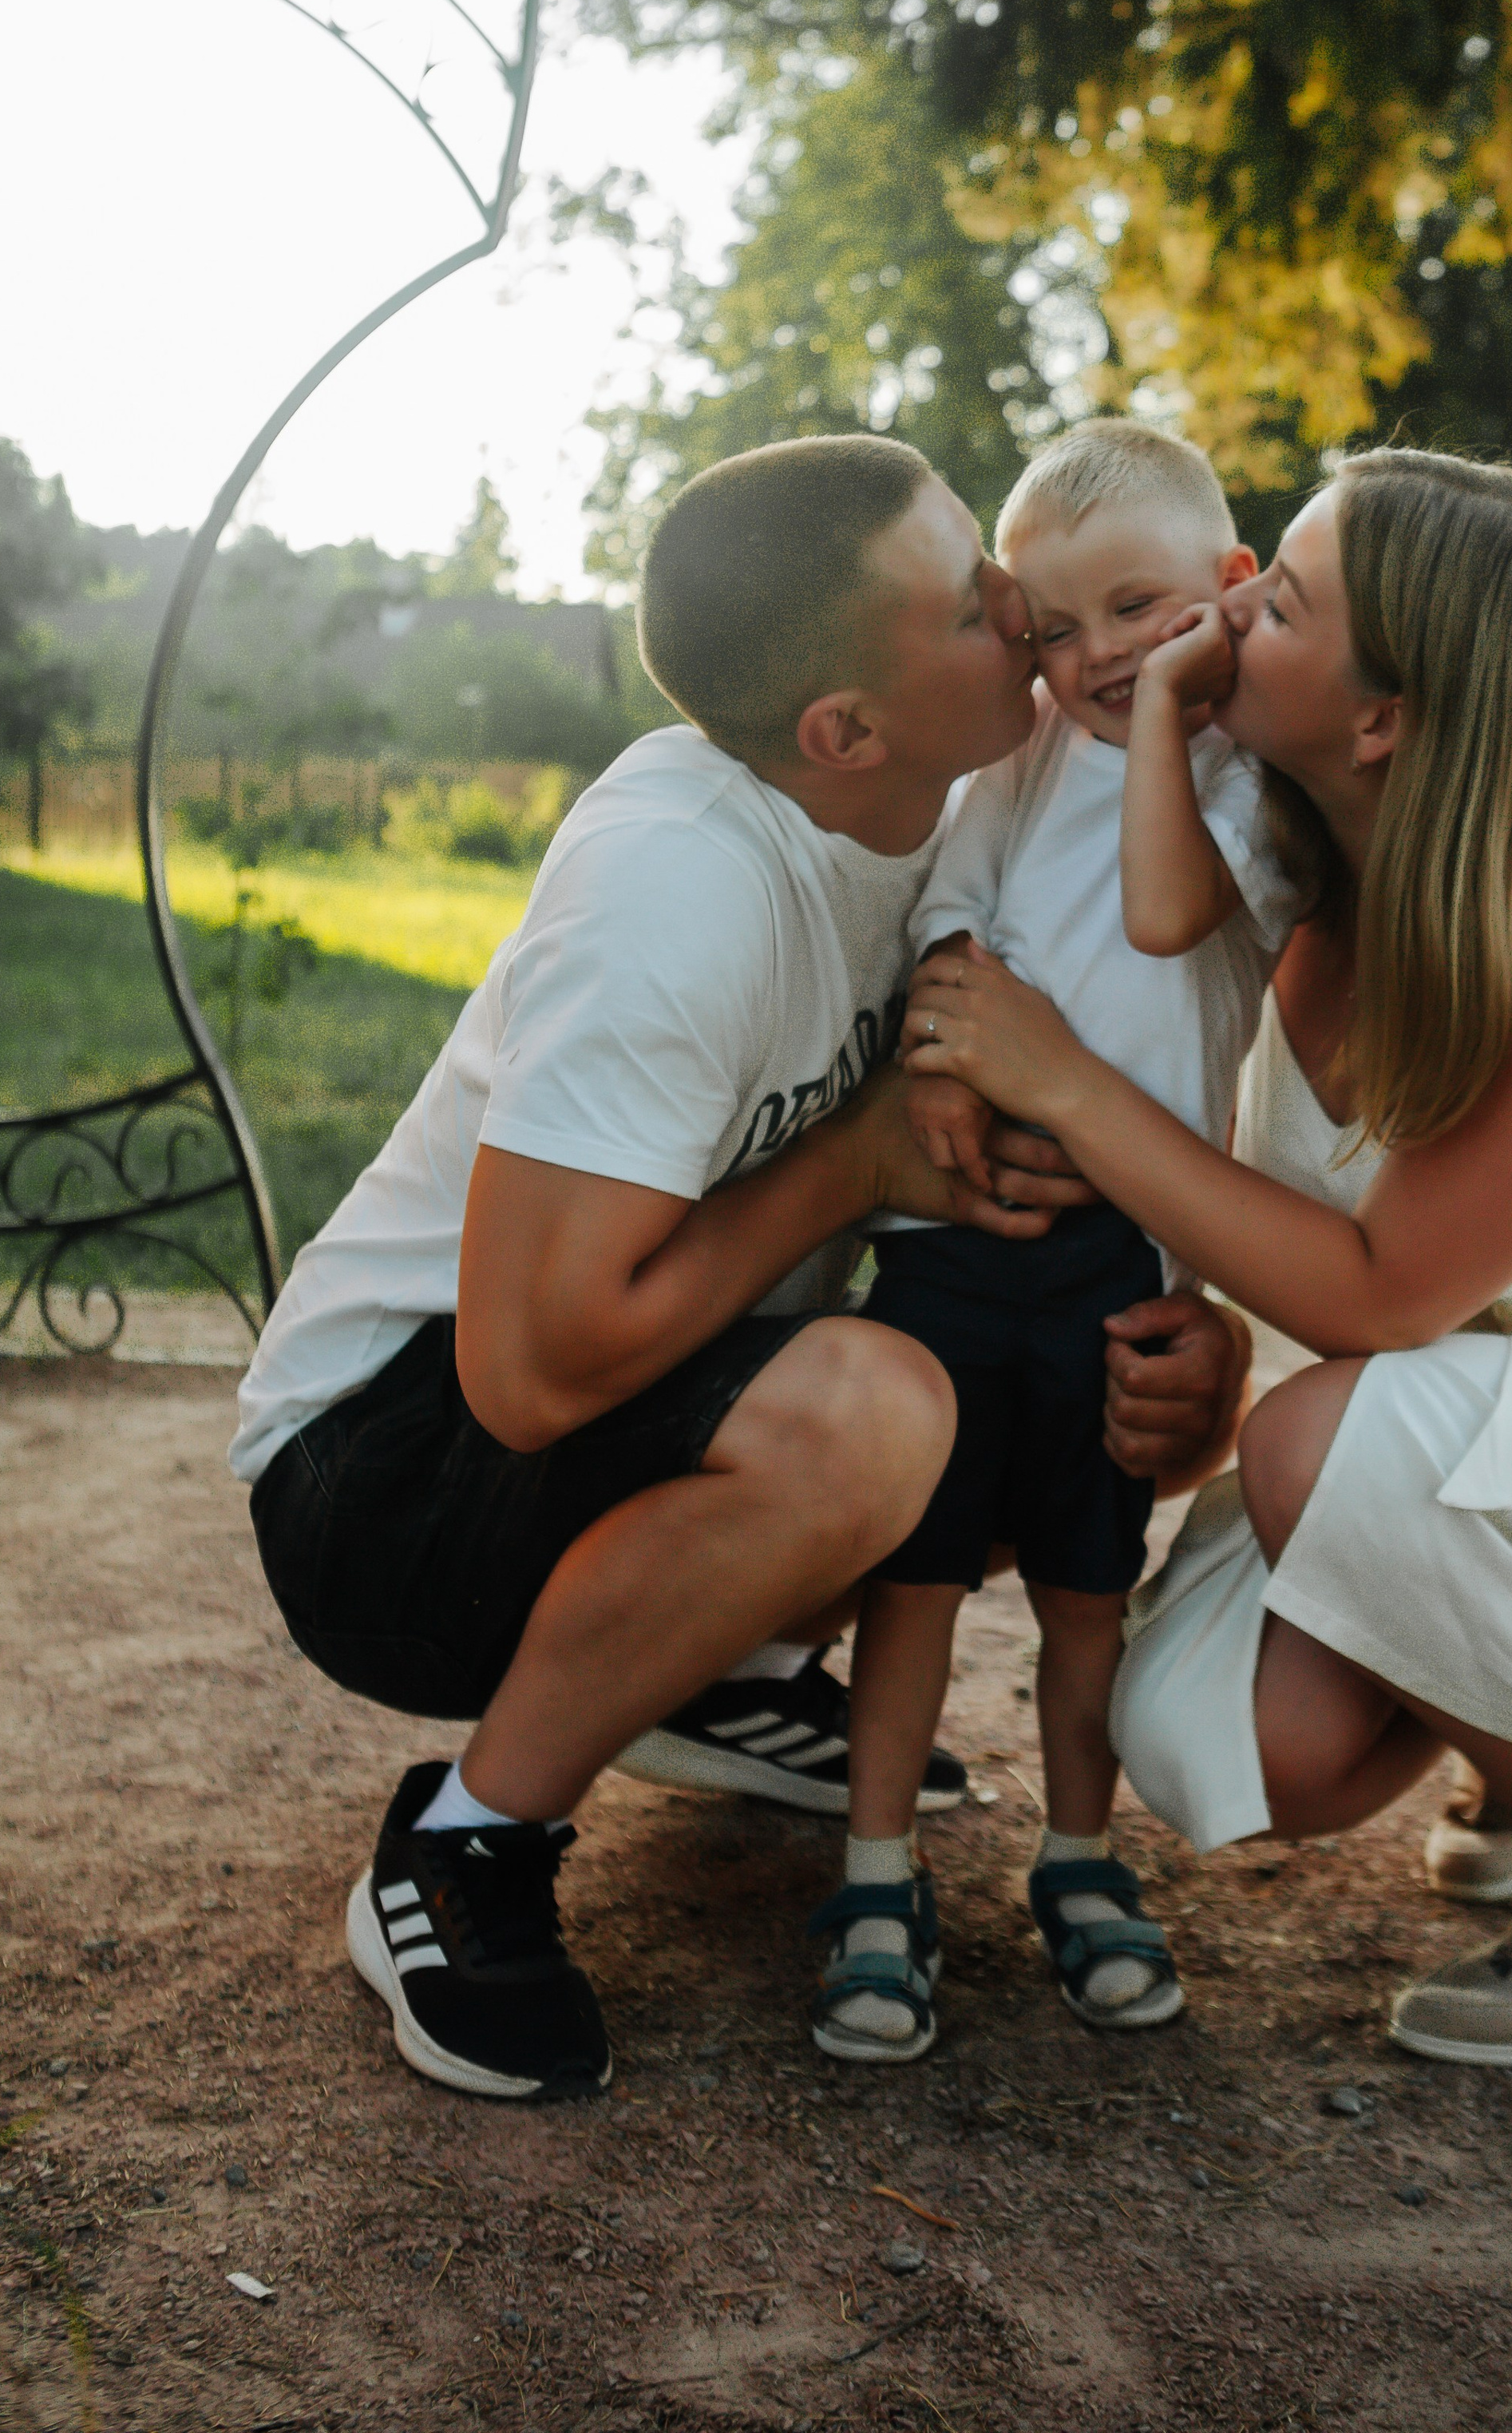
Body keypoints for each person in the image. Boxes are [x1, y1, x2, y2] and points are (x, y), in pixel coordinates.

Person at [229, 434, 1245, 2103]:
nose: (1021, 609)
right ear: (842, 729)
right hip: (379, 1477)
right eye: (974, 605)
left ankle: (716, 1675)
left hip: (569, 1424)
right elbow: (529, 1372)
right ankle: (465, 1840)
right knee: (879, 1408)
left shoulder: (956, 806)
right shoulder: (679, 883)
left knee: (1015, 1383)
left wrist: (1193, 1337)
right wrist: (850, 1158)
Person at [903, 448, 1512, 2069]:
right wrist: (1210, 1335)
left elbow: (1384, 1298)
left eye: (1278, 600)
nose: (1229, 615)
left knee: (1318, 1445)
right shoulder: (1291, 869)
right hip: (1492, 1411)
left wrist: (1062, 1086)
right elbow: (1293, 1234)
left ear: (1377, 716)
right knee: (1221, 1736)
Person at [814, 422, 1300, 2062]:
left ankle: (1080, 1862)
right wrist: (950, 1062)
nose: (1093, 657)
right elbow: (947, 923)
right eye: (1055, 623)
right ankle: (874, 1876)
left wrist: (1178, 700)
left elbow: (1172, 918)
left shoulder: (1247, 779)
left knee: (1089, 1589)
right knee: (916, 1578)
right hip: (958, 1238)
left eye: (1139, 609)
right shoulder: (1019, 762)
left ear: (1230, 592)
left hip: (1121, 1260)